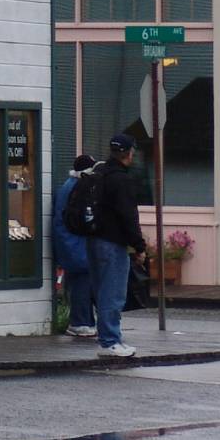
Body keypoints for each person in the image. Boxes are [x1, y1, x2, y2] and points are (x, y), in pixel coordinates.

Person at [88, 133, 148, 358]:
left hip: (93, 239)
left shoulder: (99, 173)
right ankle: (110, 341)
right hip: (113, 242)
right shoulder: (121, 179)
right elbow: (128, 215)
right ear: (128, 153)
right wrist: (139, 246)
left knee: (102, 290)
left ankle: (108, 338)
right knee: (112, 294)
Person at [52, 153, 97, 336]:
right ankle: (80, 322)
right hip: (76, 243)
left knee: (77, 281)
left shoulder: (67, 186)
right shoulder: (79, 188)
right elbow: (83, 217)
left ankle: (83, 320)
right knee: (82, 282)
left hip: (67, 242)